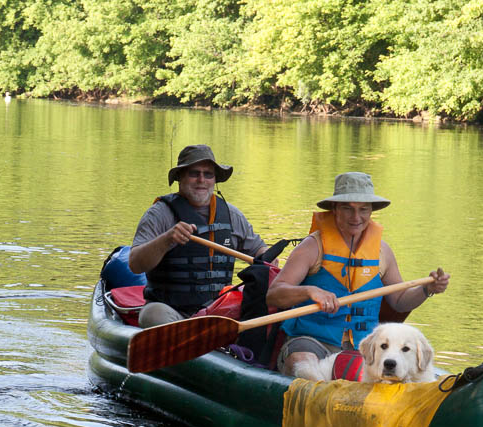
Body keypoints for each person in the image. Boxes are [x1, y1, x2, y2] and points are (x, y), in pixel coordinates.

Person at [266, 171, 449, 375]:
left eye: (363, 209)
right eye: (347, 208)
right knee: (304, 363)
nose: (356, 217)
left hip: (365, 348)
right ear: (335, 209)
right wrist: (310, 291)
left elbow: (399, 301)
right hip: (313, 343)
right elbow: (274, 294)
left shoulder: (383, 252)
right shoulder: (311, 247)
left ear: (371, 211)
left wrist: (426, 289)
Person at [128, 144, 269, 327]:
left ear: (215, 179)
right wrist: (167, 239)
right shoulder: (159, 214)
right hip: (171, 311)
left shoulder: (232, 216)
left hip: (219, 311)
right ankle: (184, 341)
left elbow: (261, 253)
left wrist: (269, 261)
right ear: (180, 177)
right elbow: (135, 264)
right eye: (194, 173)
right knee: (152, 315)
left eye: (208, 174)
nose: (201, 180)